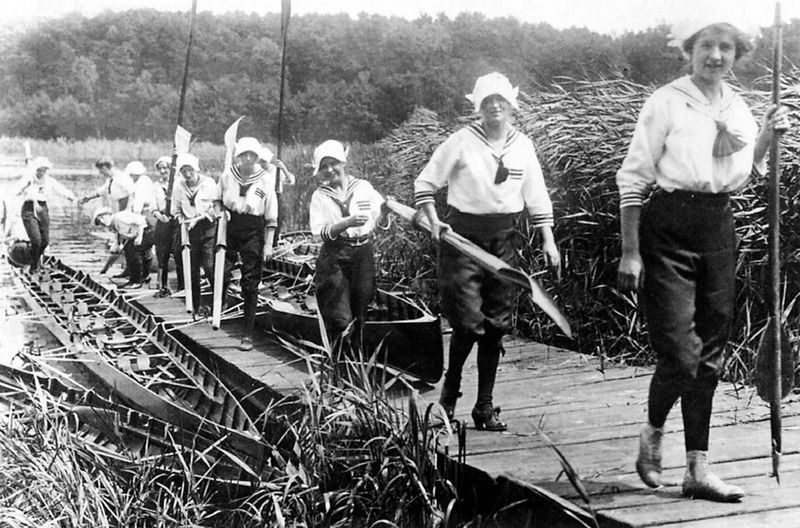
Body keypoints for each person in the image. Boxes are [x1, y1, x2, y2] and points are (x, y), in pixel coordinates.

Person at [616, 19, 790, 502]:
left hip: (718, 227)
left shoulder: (738, 105)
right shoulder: (666, 101)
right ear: (689, 50)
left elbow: (743, 171)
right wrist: (630, 252)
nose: (716, 55)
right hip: (668, 227)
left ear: (737, 54)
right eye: (707, 46)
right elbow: (632, 180)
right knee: (680, 350)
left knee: (710, 352)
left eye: (726, 48)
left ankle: (698, 468)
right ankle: (652, 435)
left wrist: (768, 138)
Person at [414, 72, 561, 432]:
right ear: (478, 107)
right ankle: (449, 398)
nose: (495, 106)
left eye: (501, 101)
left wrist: (548, 239)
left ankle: (484, 406)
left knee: (496, 325)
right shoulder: (461, 141)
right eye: (487, 101)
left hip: (503, 241)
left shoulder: (523, 145)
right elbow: (425, 183)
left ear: (511, 105)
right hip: (461, 240)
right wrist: (434, 221)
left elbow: (536, 194)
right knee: (468, 323)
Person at [309, 140, 384, 341]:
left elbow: (379, 216)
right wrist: (346, 223)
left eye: (333, 163)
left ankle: (356, 364)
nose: (330, 169)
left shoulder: (363, 187)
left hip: (363, 254)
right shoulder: (320, 196)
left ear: (343, 162)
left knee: (362, 310)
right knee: (339, 318)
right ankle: (338, 366)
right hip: (335, 256)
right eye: (324, 166)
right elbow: (319, 233)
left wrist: (386, 212)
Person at [215, 137, 278, 351]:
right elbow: (217, 200)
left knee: (250, 283)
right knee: (219, 271)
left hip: (254, 229)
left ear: (257, 157)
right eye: (244, 155)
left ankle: (247, 334)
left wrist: (268, 245)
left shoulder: (266, 179)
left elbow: (271, 216)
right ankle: (219, 305)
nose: (248, 159)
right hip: (231, 225)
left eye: (252, 155)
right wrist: (220, 213)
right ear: (239, 156)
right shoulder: (228, 175)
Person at [170, 153, 218, 317]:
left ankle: (218, 304)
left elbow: (216, 208)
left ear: (196, 169)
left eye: (190, 170)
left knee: (210, 267)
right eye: (184, 171)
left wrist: (199, 219)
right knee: (191, 269)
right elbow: (175, 210)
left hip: (207, 228)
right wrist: (181, 219)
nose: (188, 175)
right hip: (189, 230)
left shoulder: (208, 183)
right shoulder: (179, 187)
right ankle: (196, 307)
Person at [14, 157, 77, 270]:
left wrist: (72, 198)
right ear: (35, 169)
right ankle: (33, 265)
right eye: (40, 170)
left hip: (42, 208)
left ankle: (35, 261)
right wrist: (25, 186)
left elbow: (61, 190)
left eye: (44, 170)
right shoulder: (28, 179)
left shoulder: (49, 180)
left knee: (45, 241)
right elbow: (15, 192)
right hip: (29, 208)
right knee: (36, 240)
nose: (42, 173)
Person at [93, 206, 154, 288]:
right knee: (128, 250)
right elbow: (116, 249)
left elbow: (141, 221)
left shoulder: (119, 217)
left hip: (145, 230)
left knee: (134, 253)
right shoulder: (114, 226)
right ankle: (137, 277)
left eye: (102, 218)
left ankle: (137, 281)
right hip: (134, 234)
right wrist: (105, 269)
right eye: (100, 222)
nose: (102, 222)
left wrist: (140, 237)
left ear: (108, 215)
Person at [152, 155, 184, 297]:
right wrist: (160, 216)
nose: (163, 171)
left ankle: (183, 287)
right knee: (162, 255)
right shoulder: (156, 186)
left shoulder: (179, 184)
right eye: (161, 169)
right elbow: (153, 208)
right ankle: (163, 286)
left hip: (176, 222)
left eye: (166, 168)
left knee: (179, 254)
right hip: (162, 222)